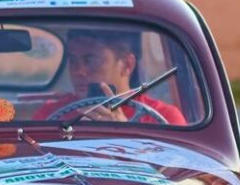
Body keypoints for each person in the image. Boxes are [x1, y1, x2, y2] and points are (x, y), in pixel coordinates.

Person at [31, 28, 185, 124]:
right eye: (73, 60)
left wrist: (125, 135)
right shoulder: (52, 113)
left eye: (91, 60)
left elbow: (174, 172)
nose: (79, 71)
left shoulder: (164, 118)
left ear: (126, 65)